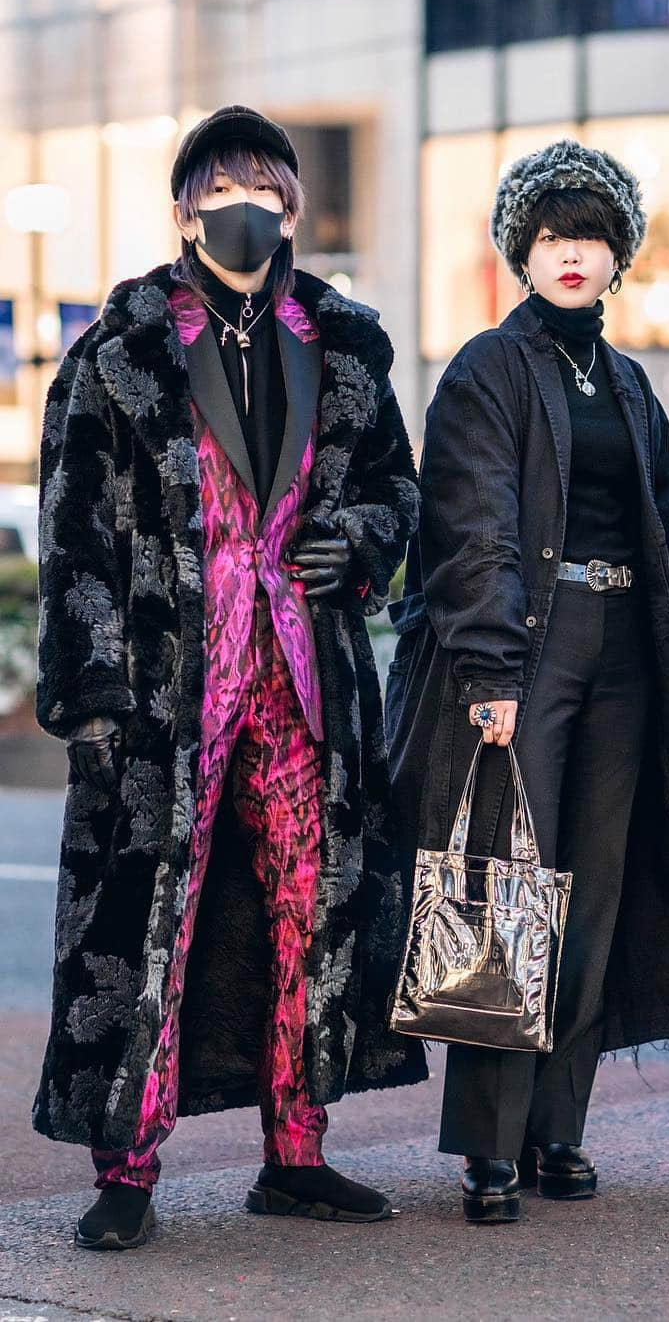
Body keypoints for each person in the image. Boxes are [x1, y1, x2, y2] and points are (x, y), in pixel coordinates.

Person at [34, 104, 427, 1250]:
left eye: (262, 186)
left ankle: (296, 1152)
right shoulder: (121, 352)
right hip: (166, 689)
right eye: (217, 189)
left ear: (295, 207)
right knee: (153, 911)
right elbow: (74, 538)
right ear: (181, 208)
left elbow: (399, 492)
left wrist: (355, 534)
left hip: (304, 677)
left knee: (314, 905)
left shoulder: (346, 343)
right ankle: (129, 1167)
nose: (241, 207)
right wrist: (92, 696)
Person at [387, 138, 669, 1225]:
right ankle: (489, 1149)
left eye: (590, 237)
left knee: (592, 892)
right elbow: (470, 528)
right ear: (521, 251)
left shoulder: (631, 383)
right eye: (551, 236)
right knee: (510, 893)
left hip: (625, 657)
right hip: (528, 648)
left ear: (618, 256)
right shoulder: (486, 369)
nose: (570, 255)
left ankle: (560, 1132)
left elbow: (659, 532)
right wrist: (493, 668)